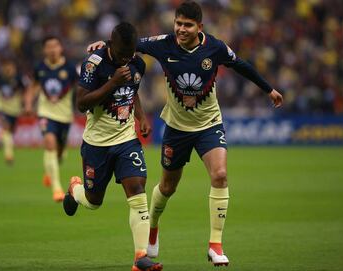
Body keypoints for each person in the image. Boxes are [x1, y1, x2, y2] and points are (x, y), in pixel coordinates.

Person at [87, 1, 284, 267]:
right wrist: (103, 44)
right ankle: (153, 226)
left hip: (209, 124)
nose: (181, 29)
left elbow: (242, 65)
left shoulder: (215, 47)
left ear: (199, 27)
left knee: (220, 175)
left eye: (187, 25)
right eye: (178, 23)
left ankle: (215, 245)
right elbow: (129, 44)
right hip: (176, 128)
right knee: (167, 187)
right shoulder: (163, 43)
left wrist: (268, 89)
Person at [62, 22, 163, 271]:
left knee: (137, 186)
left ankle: (140, 257)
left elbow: (133, 91)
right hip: (97, 144)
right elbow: (82, 103)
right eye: (120, 56)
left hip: (126, 139)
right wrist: (112, 83)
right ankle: (76, 189)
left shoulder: (136, 64)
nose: (125, 61)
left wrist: (140, 117)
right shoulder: (93, 64)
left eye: (129, 56)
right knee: (94, 201)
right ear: (110, 45)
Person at [25, 36, 78, 202]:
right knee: (49, 143)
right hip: (45, 113)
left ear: (61, 48)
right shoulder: (39, 68)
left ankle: (50, 170)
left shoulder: (69, 68)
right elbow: (32, 86)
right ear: (44, 50)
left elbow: (80, 87)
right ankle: (57, 189)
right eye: (49, 46)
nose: (52, 49)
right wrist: (28, 104)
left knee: (59, 153)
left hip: (65, 115)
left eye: (55, 45)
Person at [0, 58, 26, 165]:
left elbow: (25, 90)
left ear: (13, 68)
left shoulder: (19, 78)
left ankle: (1, 139)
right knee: (7, 128)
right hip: (2, 108)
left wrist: (24, 104)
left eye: (10, 67)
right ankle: (9, 156)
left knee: (10, 132)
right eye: (6, 67)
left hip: (15, 109)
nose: (8, 69)